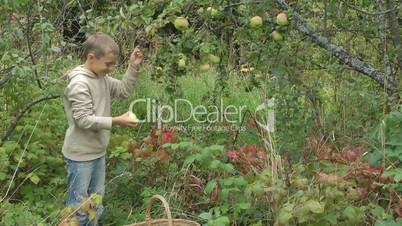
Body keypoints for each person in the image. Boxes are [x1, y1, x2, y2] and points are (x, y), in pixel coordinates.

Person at [61, 32, 143, 225]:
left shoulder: (101, 78)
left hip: (98, 151)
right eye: (108, 63)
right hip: (80, 155)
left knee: (96, 203)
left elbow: (123, 91)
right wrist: (116, 120)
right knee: (79, 207)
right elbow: (83, 119)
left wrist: (133, 67)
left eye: (114, 64)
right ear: (91, 57)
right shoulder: (79, 83)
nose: (111, 68)